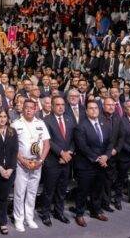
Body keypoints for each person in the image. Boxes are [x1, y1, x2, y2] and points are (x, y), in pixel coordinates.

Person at [11, 100, 50, 232]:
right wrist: (22, 160)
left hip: (37, 163)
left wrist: (41, 161)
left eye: (31, 108)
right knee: (20, 193)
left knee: (32, 192)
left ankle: (29, 218)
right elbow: (13, 146)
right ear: (22, 109)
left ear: (35, 110)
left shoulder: (41, 123)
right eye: (26, 108)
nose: (28, 110)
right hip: (21, 163)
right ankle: (18, 219)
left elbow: (46, 144)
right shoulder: (16, 124)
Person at [73, 101, 112, 227]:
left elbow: (110, 142)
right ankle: (79, 214)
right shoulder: (81, 126)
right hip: (86, 165)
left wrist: (106, 156)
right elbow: (83, 147)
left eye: (96, 108)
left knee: (97, 189)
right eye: (91, 108)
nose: (94, 110)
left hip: (101, 163)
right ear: (86, 111)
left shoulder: (105, 123)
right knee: (83, 190)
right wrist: (98, 158)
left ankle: (96, 211)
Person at [39, 96, 74, 226]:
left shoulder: (70, 119)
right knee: (49, 190)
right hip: (52, 161)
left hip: (67, 161)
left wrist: (69, 152)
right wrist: (61, 153)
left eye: (63, 104)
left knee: (62, 189)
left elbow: (73, 139)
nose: (61, 107)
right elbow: (48, 141)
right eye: (57, 104)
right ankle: (45, 214)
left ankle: (59, 212)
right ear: (52, 106)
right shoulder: (45, 120)